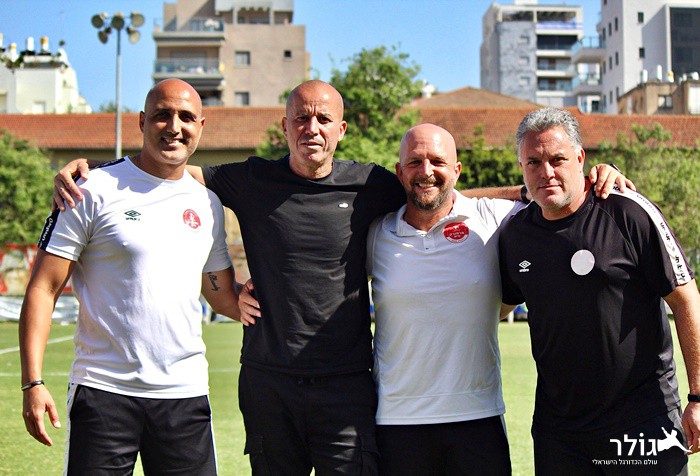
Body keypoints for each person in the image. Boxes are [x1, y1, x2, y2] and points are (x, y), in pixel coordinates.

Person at [53, 81, 628, 475]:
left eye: (323, 118)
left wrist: (577, 180)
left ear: (341, 129)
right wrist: (98, 172)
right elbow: (171, 167)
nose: (312, 127)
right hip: (271, 382)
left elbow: (442, 192)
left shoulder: (372, 185)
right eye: (301, 118)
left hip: (351, 386)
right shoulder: (249, 179)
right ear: (284, 126)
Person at [366, 123, 632, 475]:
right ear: (399, 171)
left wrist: (598, 176)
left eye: (438, 162)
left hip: (478, 417)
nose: (426, 171)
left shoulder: (493, 218)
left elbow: (557, 196)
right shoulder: (375, 233)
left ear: (457, 170)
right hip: (396, 420)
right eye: (415, 162)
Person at [20, 78, 245, 475]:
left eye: (186, 117)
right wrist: (33, 383)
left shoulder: (208, 203)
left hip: (184, 394)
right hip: (104, 392)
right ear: (142, 121)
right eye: (162, 115)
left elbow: (222, 294)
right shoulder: (89, 189)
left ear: (201, 126)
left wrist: (288, 299)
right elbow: (43, 287)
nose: (174, 126)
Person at [498, 107, 700, 475]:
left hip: (642, 421)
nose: (546, 172)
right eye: (533, 163)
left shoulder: (628, 212)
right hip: (560, 434)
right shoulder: (516, 234)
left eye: (557, 159)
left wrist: (698, 397)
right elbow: (453, 198)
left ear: (580, 158)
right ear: (521, 167)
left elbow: (686, 300)